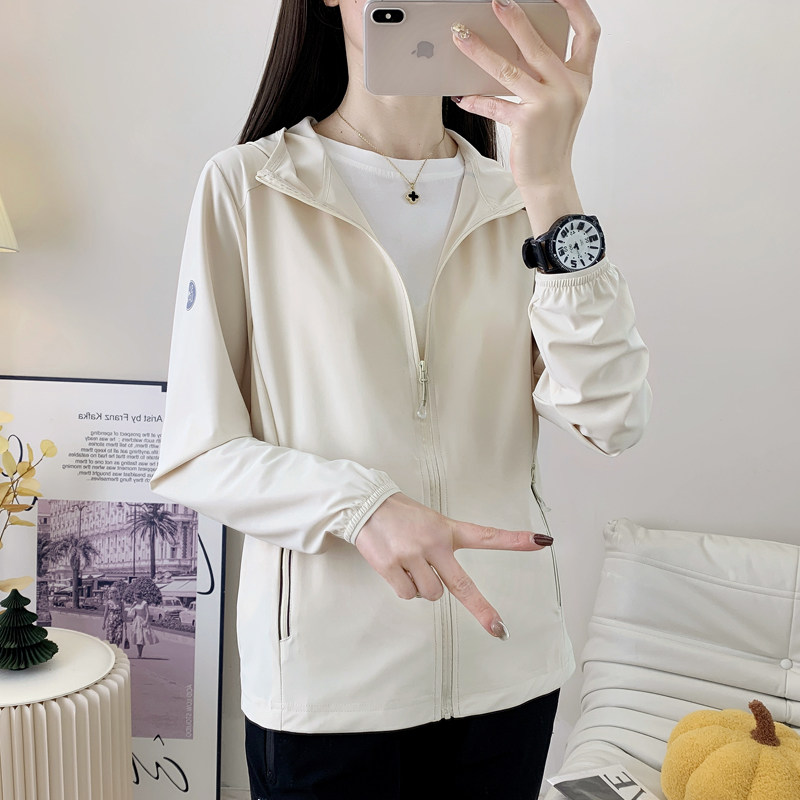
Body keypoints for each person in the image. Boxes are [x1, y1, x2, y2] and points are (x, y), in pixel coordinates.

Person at [150, 0, 652, 796]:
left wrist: (552, 182)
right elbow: (197, 453)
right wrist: (362, 506)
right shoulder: (249, 187)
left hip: (509, 677)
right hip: (330, 696)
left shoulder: (518, 198)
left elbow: (613, 415)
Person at [127, 589, 158, 659]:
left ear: (138, 596)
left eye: (135, 596)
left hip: (142, 620)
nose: (134, 597)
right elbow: (131, 612)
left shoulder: (144, 603)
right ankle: (139, 653)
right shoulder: (135, 603)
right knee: (137, 637)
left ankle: (140, 653)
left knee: (142, 637)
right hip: (136, 620)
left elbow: (147, 613)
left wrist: (146, 621)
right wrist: (132, 606)